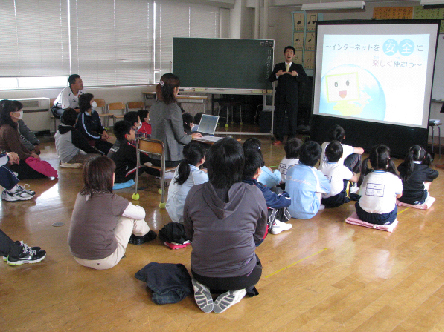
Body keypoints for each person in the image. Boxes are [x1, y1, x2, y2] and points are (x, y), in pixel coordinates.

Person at [183, 138, 267, 313]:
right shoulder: (254, 193)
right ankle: (238, 290)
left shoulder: (195, 193)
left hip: (201, 271)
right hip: (242, 275)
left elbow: (189, 233)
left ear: (209, 166)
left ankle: (200, 285)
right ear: (240, 166)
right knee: (256, 263)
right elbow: (259, 235)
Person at [68, 156, 155, 270]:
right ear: (110, 177)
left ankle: (142, 233)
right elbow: (141, 214)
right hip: (105, 259)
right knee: (129, 215)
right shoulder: (112, 200)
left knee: (118, 213)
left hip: (77, 256)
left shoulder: (81, 195)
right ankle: (143, 234)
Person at [150, 73, 202, 167]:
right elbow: (181, 138)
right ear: (175, 89)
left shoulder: (154, 106)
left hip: (154, 156)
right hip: (170, 158)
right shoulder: (173, 108)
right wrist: (191, 137)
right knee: (198, 155)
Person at [243, 148, 292, 235]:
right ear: (258, 170)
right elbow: (285, 201)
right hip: (253, 235)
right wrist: (286, 195)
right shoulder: (257, 190)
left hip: (236, 226)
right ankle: (274, 223)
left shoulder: (233, 184)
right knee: (275, 199)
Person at [0, 100, 53, 179]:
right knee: (43, 172)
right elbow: (17, 152)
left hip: (17, 159)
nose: (21, 112)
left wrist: (31, 153)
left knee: (45, 167)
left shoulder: (12, 126)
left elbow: (21, 143)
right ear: (11, 114)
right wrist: (30, 155)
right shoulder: (8, 129)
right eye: (19, 110)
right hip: (12, 163)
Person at [269, 46, 307, 145]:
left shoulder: (298, 67)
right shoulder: (279, 66)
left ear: (293, 55)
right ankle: (279, 138)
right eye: (287, 52)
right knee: (279, 118)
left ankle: (291, 140)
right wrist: (277, 75)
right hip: (280, 97)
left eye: (291, 52)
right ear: (284, 54)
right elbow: (270, 78)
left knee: (292, 118)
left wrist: (297, 75)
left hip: (293, 97)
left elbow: (305, 79)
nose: (289, 54)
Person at [355, 145, 402, 225]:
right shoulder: (394, 178)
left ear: (370, 161)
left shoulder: (366, 176)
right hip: (383, 217)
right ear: (388, 160)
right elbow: (399, 195)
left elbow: (360, 193)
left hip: (363, 215)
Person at [166, 141, 208, 224]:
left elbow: (196, 174)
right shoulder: (199, 176)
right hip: (183, 218)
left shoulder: (181, 167)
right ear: (202, 159)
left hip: (173, 213)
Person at [286, 141, 330, 219]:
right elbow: (328, 189)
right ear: (318, 158)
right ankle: (314, 206)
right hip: (308, 213)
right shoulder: (316, 173)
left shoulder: (291, 168)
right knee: (318, 189)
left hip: (288, 210)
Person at [319, 141, 359, 208]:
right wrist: (354, 174)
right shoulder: (341, 168)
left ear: (325, 154)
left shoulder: (321, 166)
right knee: (347, 177)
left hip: (321, 199)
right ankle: (347, 197)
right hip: (336, 200)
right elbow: (355, 179)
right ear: (341, 156)